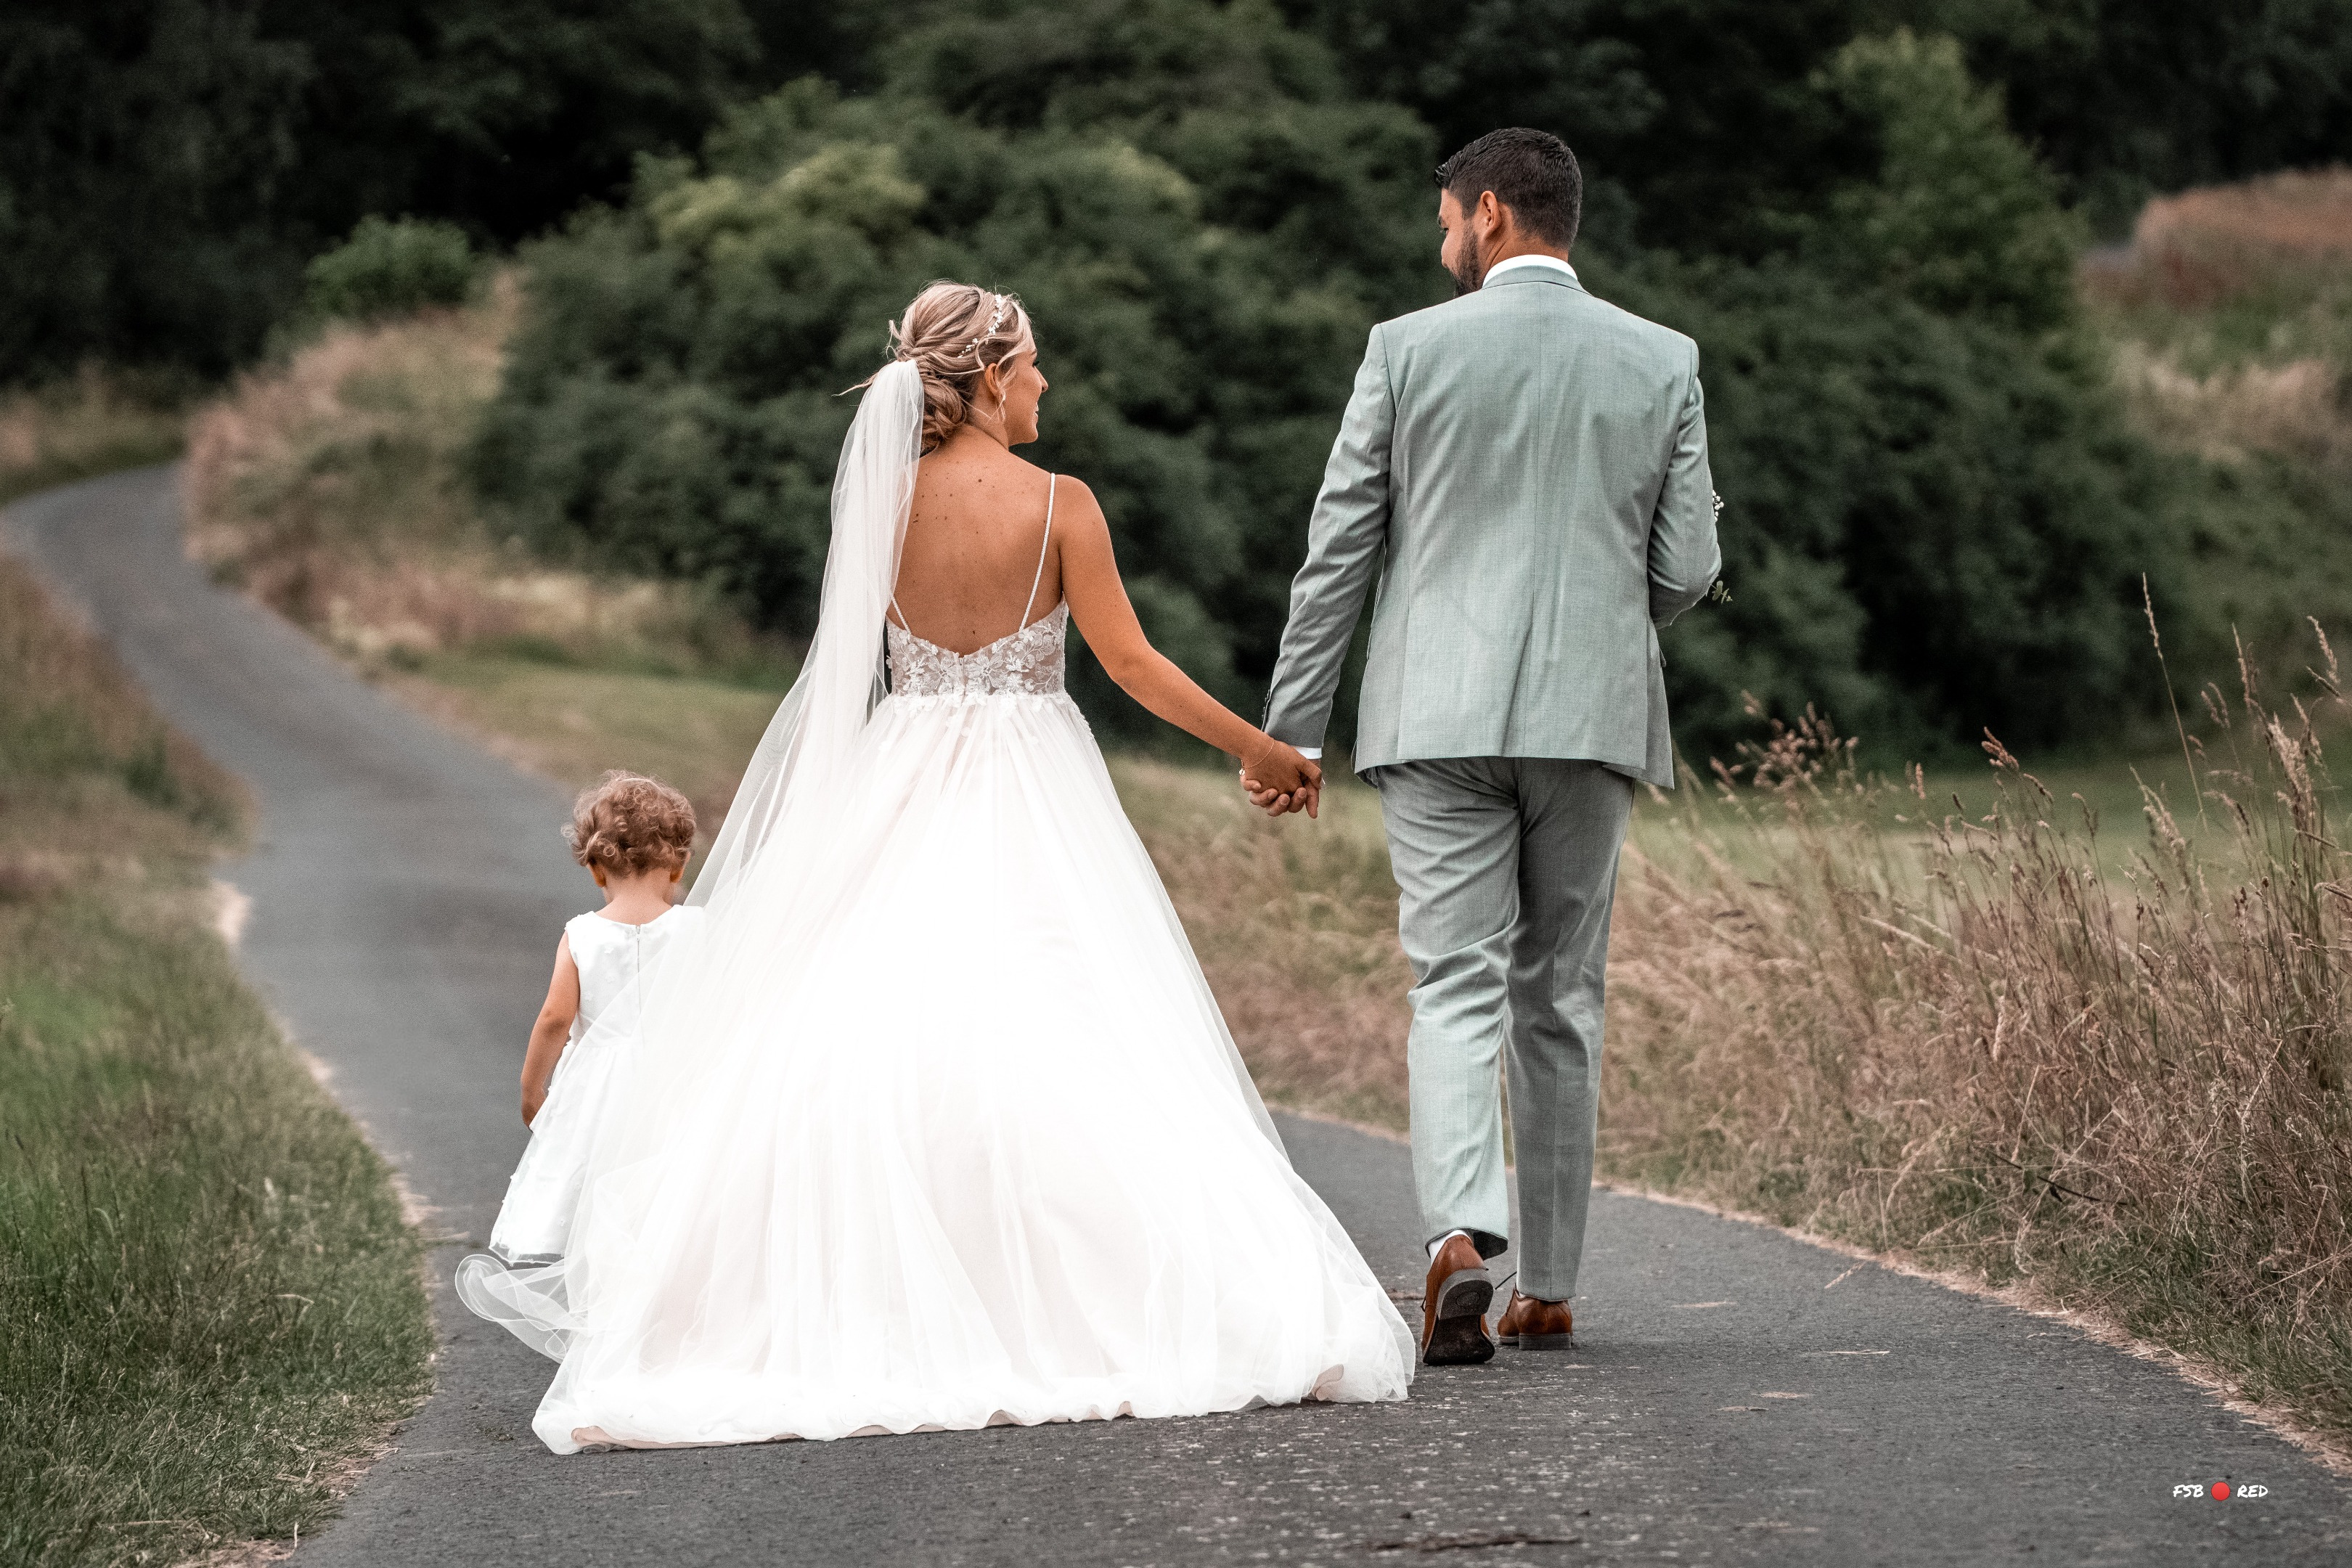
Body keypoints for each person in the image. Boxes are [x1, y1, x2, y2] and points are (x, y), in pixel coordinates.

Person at [463, 281, 1415, 1451]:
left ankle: (874, 1293)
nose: (1048, 386)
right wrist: (1262, 746)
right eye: (1036, 366)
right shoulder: (1063, 505)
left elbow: (839, 682)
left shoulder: (882, 507)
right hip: (1030, 781)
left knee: (877, 1025)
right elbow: (1129, 664)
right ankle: (1064, 1296)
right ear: (990, 375)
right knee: (1058, 1019)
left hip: (899, 774)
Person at [1251, 128, 1722, 1365]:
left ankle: (1463, 1234)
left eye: (1448, 216)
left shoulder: (1404, 351)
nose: (1441, 238)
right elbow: (1691, 567)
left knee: (1453, 980)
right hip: (1593, 716)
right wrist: (1602, 621)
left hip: (1436, 716)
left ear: (1496, 213)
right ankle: (1552, 1287)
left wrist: (1290, 733)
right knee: (1559, 995)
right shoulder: (1663, 360)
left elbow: (1338, 556)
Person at [455, 774, 700, 1326]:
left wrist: (532, 1088)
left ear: (594, 868)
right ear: (679, 865)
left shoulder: (582, 934)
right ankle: (664, 1318)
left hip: (600, 1093)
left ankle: (606, 1315)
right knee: (670, 1202)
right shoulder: (698, 929)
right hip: (680, 1086)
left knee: (597, 1200)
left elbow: (555, 1019)